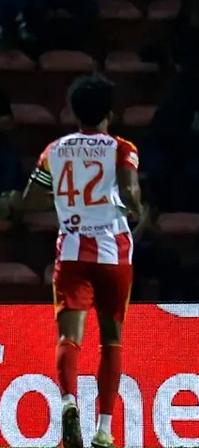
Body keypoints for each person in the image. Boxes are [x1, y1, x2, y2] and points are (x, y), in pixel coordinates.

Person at [19, 75, 145, 448]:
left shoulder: (54, 150)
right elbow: (131, 195)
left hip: (72, 251)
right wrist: (137, 209)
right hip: (113, 253)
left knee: (68, 338)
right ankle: (104, 429)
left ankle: (69, 401)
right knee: (111, 341)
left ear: (74, 112)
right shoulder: (122, 148)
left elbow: (31, 201)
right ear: (109, 112)